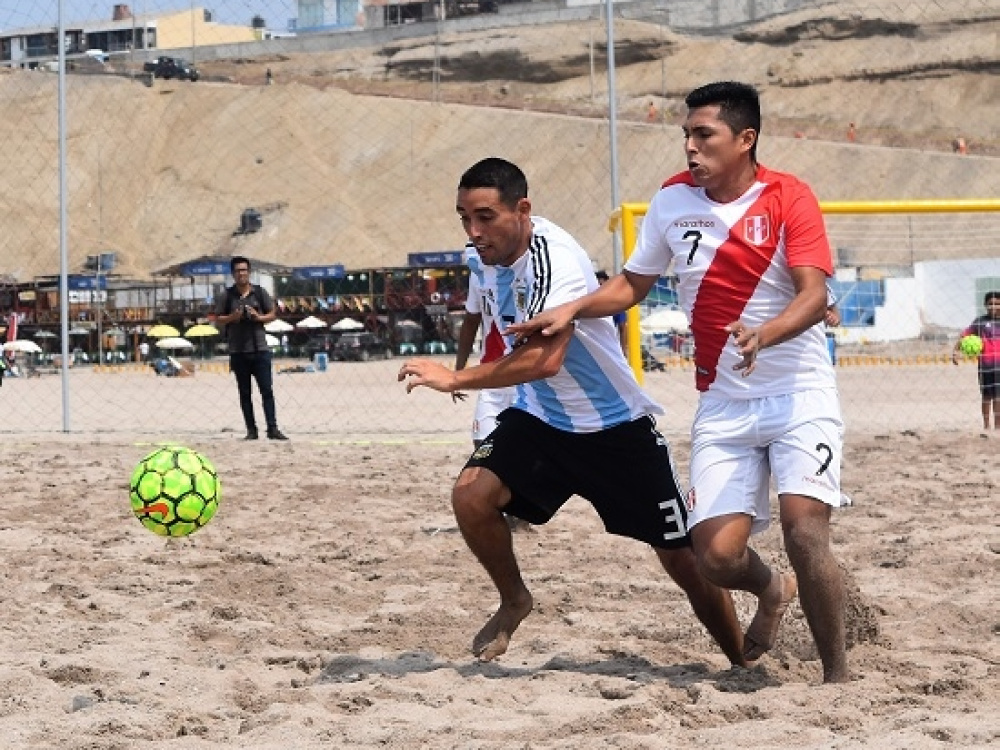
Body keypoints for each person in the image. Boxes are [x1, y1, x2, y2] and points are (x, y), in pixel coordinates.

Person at [508, 82, 849, 683]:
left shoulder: (789, 197)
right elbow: (632, 285)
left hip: (799, 395)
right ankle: (773, 588)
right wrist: (573, 309)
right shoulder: (671, 200)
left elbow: (814, 295)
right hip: (723, 402)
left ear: (745, 140)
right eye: (686, 135)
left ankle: (838, 679)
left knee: (803, 529)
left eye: (703, 135)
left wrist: (764, 334)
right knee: (715, 558)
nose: (690, 146)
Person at [399, 157, 745, 667]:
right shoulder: (482, 257)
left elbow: (546, 359)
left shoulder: (552, 260)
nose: (473, 232)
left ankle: (741, 659)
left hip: (615, 428)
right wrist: (462, 360)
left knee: (685, 562)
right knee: (470, 497)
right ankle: (514, 599)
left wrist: (454, 378)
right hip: (541, 419)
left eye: (485, 217)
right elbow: (482, 321)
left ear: (522, 210)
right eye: (464, 218)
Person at [214, 256, 288, 440]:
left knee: (267, 391)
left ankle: (272, 428)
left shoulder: (259, 292)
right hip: (238, 351)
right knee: (245, 393)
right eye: (238, 271)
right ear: (233, 274)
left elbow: (272, 314)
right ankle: (251, 430)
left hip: (260, 349)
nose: (241, 274)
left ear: (249, 272)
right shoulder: (227, 296)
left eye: (244, 270)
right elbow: (218, 319)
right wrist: (233, 317)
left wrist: (258, 317)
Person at [952, 290, 1000, 430]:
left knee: (998, 397)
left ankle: (998, 426)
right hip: (985, 366)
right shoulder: (980, 322)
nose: (993, 306)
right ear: (985, 305)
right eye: (990, 304)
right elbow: (964, 335)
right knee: (986, 397)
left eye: (997, 304)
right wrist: (955, 351)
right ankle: (986, 425)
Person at [596, 270, 627, 355]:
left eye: (602, 285)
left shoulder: (615, 303)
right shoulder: (590, 303)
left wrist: (623, 350)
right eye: (598, 286)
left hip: (609, 344)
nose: (600, 288)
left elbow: (622, 327)